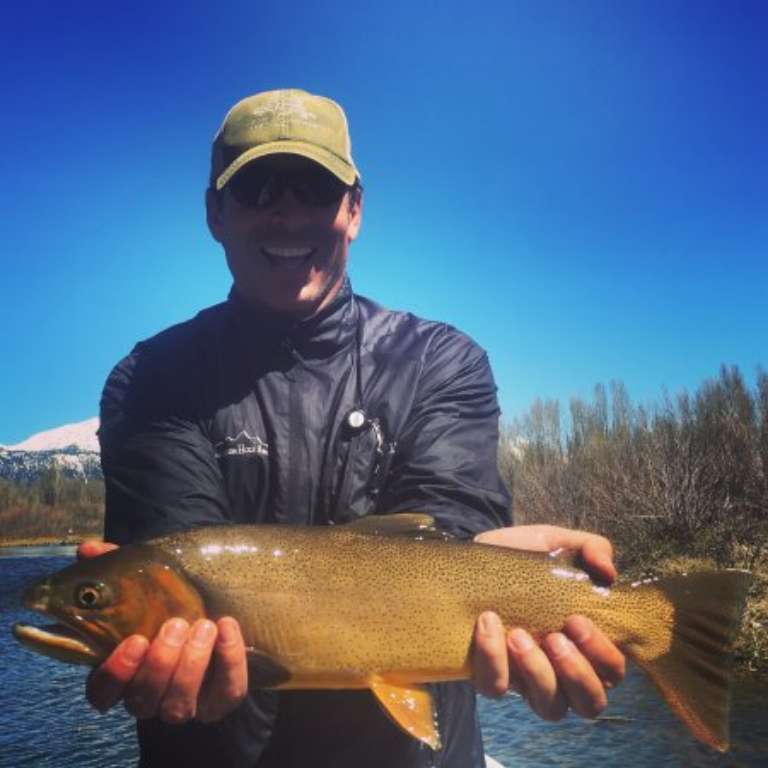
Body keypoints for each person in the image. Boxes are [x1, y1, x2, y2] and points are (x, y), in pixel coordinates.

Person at [80, 88, 625, 767]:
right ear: (215, 213)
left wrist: (517, 574)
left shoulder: (440, 361)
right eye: (255, 187)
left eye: (314, 186)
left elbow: (451, 528)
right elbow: (175, 559)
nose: (287, 212)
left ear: (354, 210)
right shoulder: (152, 380)